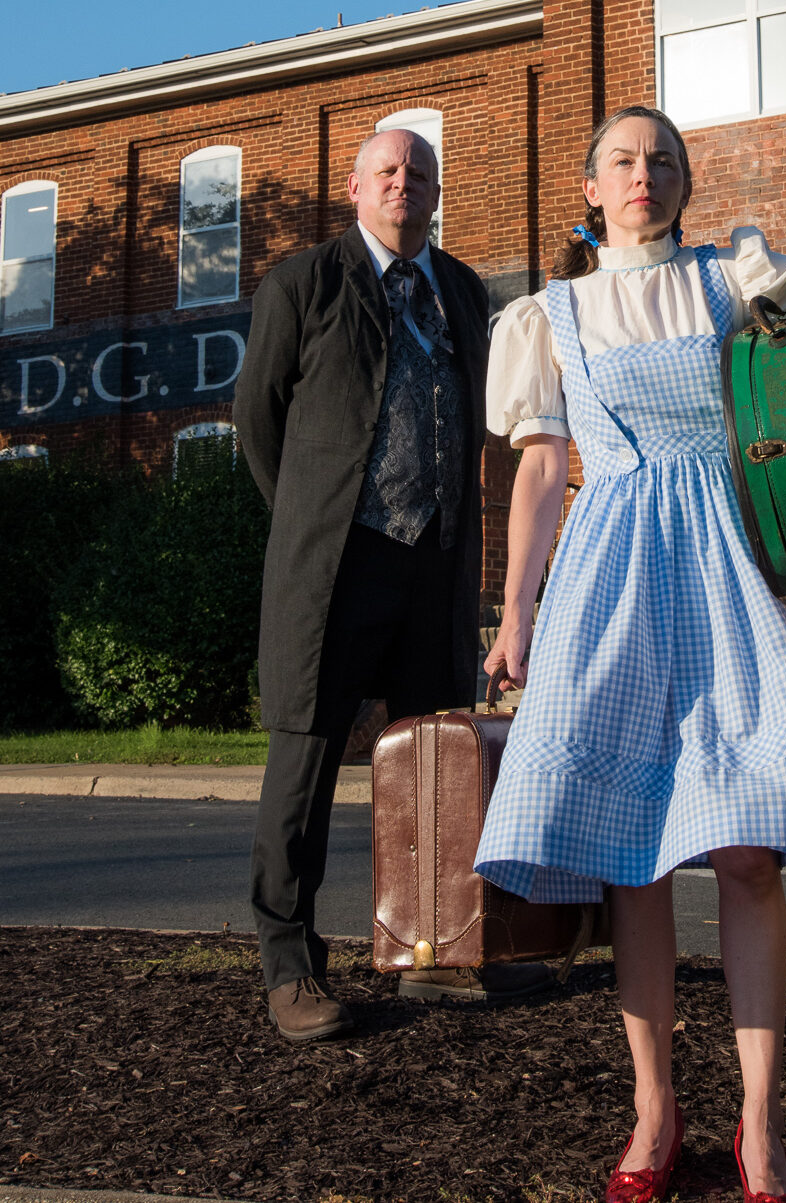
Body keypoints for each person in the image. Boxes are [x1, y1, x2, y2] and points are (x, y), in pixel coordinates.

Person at [473, 105, 786, 1203]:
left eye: (663, 162)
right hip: (610, 580)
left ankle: (758, 1125)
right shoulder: (547, 317)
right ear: (591, 189)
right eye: (622, 163)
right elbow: (543, 474)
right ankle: (653, 1114)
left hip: (734, 564)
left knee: (747, 847)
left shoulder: (729, 278)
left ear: (684, 183)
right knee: (633, 855)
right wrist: (515, 617)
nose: (645, 177)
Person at [234, 128, 548, 1042]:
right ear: (355, 187)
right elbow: (260, 423)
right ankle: (290, 967)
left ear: (433, 192)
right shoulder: (303, 283)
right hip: (336, 562)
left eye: (418, 174)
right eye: (387, 172)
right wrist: (312, 518)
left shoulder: (458, 289)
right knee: (306, 758)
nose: (402, 184)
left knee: (432, 766)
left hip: (433, 563)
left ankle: (436, 954)